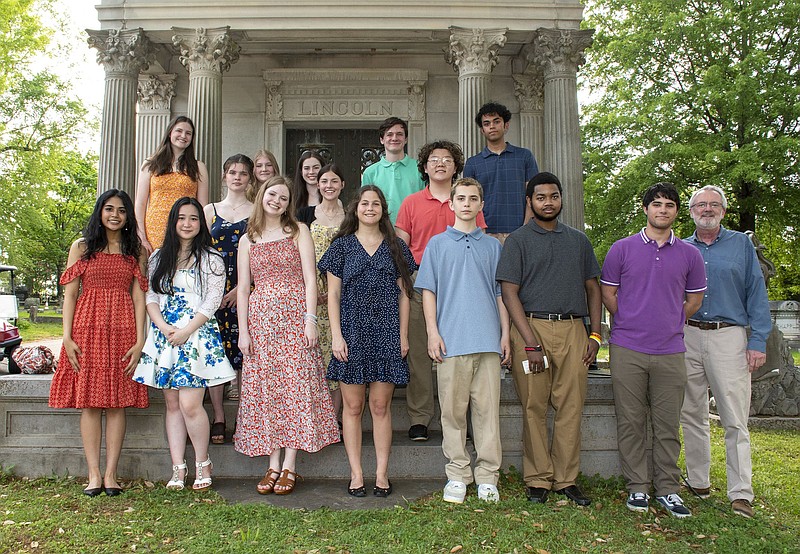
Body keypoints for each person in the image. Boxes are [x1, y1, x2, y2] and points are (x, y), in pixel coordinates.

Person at [600, 182, 707, 518]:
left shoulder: (691, 254)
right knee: (630, 421)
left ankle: (668, 489)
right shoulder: (622, 249)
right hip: (627, 347)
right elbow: (608, 295)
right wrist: (632, 319)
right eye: (656, 204)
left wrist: (669, 320)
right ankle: (637, 488)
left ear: (677, 212)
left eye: (670, 205)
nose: (663, 210)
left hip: (671, 350)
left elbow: (694, 300)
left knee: (666, 424)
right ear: (645, 209)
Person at [496, 172, 602, 507]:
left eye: (553, 196)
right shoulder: (517, 241)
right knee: (534, 406)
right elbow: (509, 293)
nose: (548, 202)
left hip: (573, 330)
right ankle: (538, 479)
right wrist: (529, 342)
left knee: (571, 407)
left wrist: (595, 334)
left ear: (561, 198)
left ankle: (566, 480)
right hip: (532, 328)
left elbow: (593, 288)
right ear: (530, 201)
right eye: (540, 197)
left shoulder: (579, 241)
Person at [234, 176, 339, 495]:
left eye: (283, 197)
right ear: (262, 196)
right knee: (268, 389)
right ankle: (272, 463)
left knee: (295, 388)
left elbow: (311, 279)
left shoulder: (299, 231)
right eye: (271, 194)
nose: (276, 201)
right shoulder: (248, 239)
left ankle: (290, 465)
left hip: (295, 319)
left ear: (288, 202)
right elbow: (242, 290)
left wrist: (310, 320)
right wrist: (243, 332)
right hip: (261, 322)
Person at [415, 177, 511, 504]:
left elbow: (500, 294)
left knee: (487, 412)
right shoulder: (437, 245)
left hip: (487, 341)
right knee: (453, 414)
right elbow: (428, 291)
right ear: (452, 204)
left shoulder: (493, 247)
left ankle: (487, 476)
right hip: (450, 341)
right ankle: (457, 473)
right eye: (461, 198)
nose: (467, 203)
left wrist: (505, 334)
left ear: (481, 205)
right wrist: (432, 331)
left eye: (473, 198)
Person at [48, 189, 149, 497]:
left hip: (122, 329)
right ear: (99, 212)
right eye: (109, 209)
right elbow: (70, 294)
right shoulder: (81, 247)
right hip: (86, 328)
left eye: (121, 210)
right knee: (90, 403)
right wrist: (66, 336)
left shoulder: (136, 250)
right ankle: (93, 474)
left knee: (117, 403)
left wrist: (140, 338)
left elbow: (138, 296)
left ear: (128, 215)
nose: (115, 215)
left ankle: (111, 475)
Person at [319, 185, 416, 498]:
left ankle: (382, 473)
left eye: (376, 204)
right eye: (364, 203)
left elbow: (404, 295)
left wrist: (402, 335)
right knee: (353, 405)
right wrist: (336, 335)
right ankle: (357, 473)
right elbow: (332, 295)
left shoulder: (396, 246)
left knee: (379, 405)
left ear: (383, 210)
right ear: (355, 209)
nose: (370, 208)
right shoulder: (341, 246)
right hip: (351, 331)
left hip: (387, 331)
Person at [680, 185, 771, 519]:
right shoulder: (680, 247)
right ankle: (699, 482)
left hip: (729, 336)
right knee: (691, 413)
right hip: (687, 335)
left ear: (723, 210)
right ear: (690, 211)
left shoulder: (740, 245)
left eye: (713, 204)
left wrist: (758, 340)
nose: (707, 209)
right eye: (700, 204)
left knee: (734, 418)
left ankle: (740, 493)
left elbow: (755, 293)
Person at [133, 197, 235, 491]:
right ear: (173, 221)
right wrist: (164, 327)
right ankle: (178, 466)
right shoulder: (158, 258)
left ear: (201, 224)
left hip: (197, 335)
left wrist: (187, 330)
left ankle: (203, 461)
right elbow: (151, 297)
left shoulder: (211, 258)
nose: (187, 223)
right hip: (166, 335)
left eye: (193, 218)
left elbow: (212, 301)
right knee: (173, 403)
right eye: (181, 218)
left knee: (191, 403)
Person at [395, 140, 486, 442]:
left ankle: (463, 418)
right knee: (420, 351)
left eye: (447, 159)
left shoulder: (465, 199)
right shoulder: (411, 203)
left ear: (455, 166)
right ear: (424, 166)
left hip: (462, 284)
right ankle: (420, 417)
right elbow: (401, 248)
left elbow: (479, 241)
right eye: (434, 159)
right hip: (422, 281)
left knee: (462, 351)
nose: (440, 164)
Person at [203, 154, 255, 444]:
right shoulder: (209, 210)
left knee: (245, 353)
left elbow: (261, 252)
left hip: (247, 290)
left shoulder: (256, 210)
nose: (237, 177)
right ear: (224, 176)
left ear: (249, 179)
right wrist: (216, 292)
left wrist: (242, 288)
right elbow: (199, 251)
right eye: (232, 172)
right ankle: (220, 416)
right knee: (217, 353)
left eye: (243, 173)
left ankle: (246, 416)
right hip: (213, 292)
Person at [297, 163, 347, 425]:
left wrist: (337, 291)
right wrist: (313, 292)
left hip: (342, 298)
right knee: (315, 357)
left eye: (334, 181)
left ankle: (335, 419)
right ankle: (315, 418)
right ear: (318, 185)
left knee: (336, 358)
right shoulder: (305, 214)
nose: (329, 186)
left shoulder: (350, 215)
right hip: (312, 298)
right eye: (324, 181)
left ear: (342, 186)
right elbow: (298, 256)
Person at [463, 102, 538, 243]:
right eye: (486, 123)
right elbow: (469, 201)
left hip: (520, 233)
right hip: (484, 235)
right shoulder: (473, 163)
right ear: (482, 130)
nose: (492, 126)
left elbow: (533, 195)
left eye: (496, 121)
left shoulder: (524, 156)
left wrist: (526, 228)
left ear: (506, 125)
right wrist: (478, 232)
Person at [135, 116, 209, 254]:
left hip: (185, 228)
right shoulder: (150, 164)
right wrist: (141, 236)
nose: (183, 136)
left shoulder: (199, 167)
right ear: (170, 133)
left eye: (188, 133)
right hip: (155, 229)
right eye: (179, 131)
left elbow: (203, 206)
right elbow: (140, 203)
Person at [360, 117, 425, 224]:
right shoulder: (370, 172)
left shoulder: (420, 168)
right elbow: (365, 205)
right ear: (382, 140)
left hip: (414, 229)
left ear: (406, 139)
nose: (394, 138)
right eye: (389, 134)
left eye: (399, 134)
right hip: (380, 231)